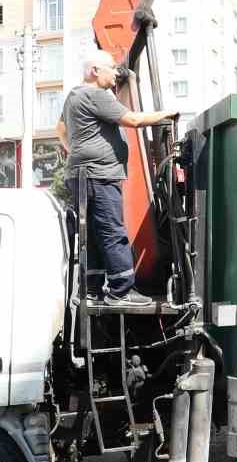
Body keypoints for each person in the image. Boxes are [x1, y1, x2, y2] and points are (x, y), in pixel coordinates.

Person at [56, 50, 177, 307]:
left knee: (95, 234)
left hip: (82, 174)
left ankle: (91, 290)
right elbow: (132, 119)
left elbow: (60, 130)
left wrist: (77, 151)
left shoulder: (74, 96)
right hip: (99, 175)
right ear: (95, 71)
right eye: (112, 67)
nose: (116, 73)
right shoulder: (96, 94)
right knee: (112, 231)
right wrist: (167, 114)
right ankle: (121, 292)